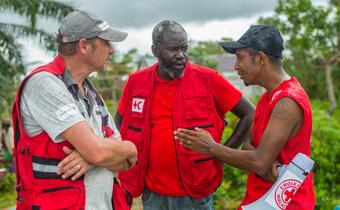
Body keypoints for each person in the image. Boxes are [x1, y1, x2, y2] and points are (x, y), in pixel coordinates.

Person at [114, 20, 255, 210]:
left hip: (195, 193)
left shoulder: (208, 79)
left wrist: (221, 154)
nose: (181, 55)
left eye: (184, 48)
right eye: (173, 49)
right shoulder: (136, 82)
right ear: (155, 50)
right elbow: (119, 123)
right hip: (152, 194)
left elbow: (249, 113)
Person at [174, 25, 315, 210]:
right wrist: (261, 161)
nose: (236, 66)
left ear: (260, 58)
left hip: (284, 204)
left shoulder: (287, 102)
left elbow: (257, 162)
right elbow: (250, 148)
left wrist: (212, 148)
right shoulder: (268, 97)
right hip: (260, 200)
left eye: (240, 58)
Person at [12, 10, 137, 210]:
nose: (111, 49)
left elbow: (126, 162)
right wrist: (116, 150)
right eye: (106, 42)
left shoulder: (91, 93)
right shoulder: (44, 84)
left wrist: (99, 156)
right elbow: (101, 152)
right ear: (84, 45)